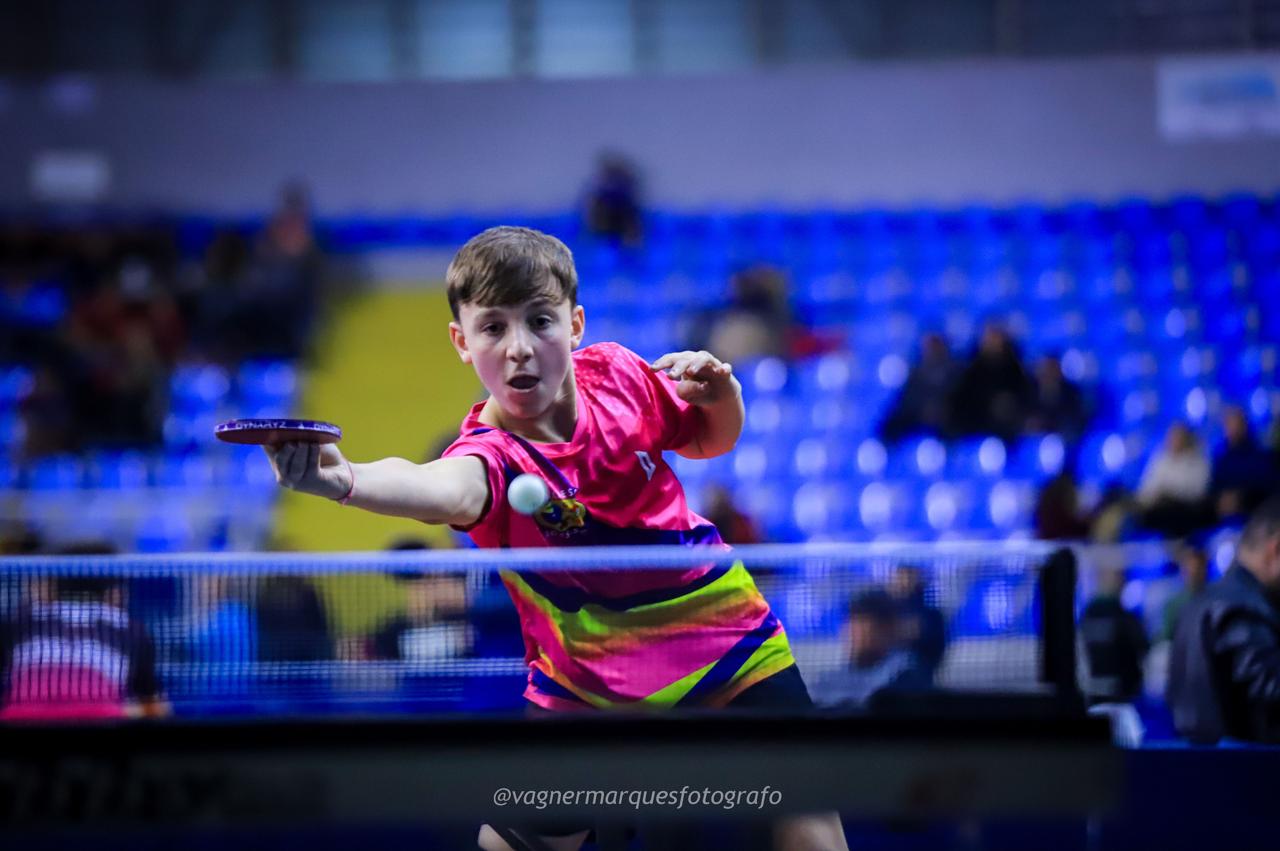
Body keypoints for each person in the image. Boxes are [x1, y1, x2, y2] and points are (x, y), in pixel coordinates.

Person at [262, 226, 846, 851]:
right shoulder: (490, 456)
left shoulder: (620, 376)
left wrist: (724, 394)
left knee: (806, 808)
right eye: (493, 328)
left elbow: (709, 439)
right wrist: (344, 477)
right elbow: (441, 489)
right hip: (589, 682)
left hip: (723, 639)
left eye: (539, 321)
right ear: (462, 341)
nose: (518, 348)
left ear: (575, 324)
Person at [0, 545, 167, 721]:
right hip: (102, 722)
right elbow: (152, 706)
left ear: (51, 587)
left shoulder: (17, 621)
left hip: (19, 721)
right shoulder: (132, 629)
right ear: (114, 592)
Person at [1166, 496, 1280, 744]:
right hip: (1247, 775)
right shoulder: (1245, 608)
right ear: (1276, 549)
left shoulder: (1196, 604)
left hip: (1194, 773)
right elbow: (1270, 693)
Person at [810, 589, 929, 708]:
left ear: (888, 629)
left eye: (864, 625)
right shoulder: (830, 679)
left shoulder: (904, 671)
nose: (854, 633)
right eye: (852, 623)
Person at [947, 321, 1033, 442]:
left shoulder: (1015, 369)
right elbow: (961, 403)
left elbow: (1025, 397)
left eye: (996, 337)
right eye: (990, 337)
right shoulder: (971, 370)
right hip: (977, 429)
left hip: (1009, 431)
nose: (993, 342)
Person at [1078, 568, 1149, 704]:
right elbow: (1142, 647)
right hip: (1122, 693)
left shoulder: (1086, 618)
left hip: (1092, 693)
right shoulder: (1125, 618)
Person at [878, 332, 958, 443]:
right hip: (918, 414)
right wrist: (923, 410)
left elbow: (959, 396)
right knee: (891, 426)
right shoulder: (916, 371)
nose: (932, 349)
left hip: (946, 415)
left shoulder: (955, 369)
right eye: (929, 346)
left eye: (935, 345)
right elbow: (907, 399)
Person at [1135, 421, 1211, 538]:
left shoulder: (1198, 461)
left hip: (1183, 509)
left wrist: (1170, 492)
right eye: (1172, 437)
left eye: (1178, 437)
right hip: (1156, 504)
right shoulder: (1161, 459)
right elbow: (1146, 487)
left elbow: (1197, 491)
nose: (1174, 441)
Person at [1209, 405, 1279, 523]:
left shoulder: (1259, 453)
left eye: (1236, 423)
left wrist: (1239, 496)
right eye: (1229, 424)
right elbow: (1215, 484)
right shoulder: (1222, 456)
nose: (1232, 429)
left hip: (1253, 507)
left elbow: (1266, 482)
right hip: (1224, 510)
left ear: (1244, 424)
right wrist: (1222, 496)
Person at [886, 565, 946, 681]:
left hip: (918, 674)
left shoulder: (931, 614)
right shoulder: (884, 612)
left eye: (909, 577)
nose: (904, 582)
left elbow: (935, 647)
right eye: (900, 577)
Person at [1159, 542, 1209, 643]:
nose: (1194, 572)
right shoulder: (1173, 604)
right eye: (1189, 567)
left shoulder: (1216, 598)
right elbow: (1167, 636)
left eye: (1198, 567)